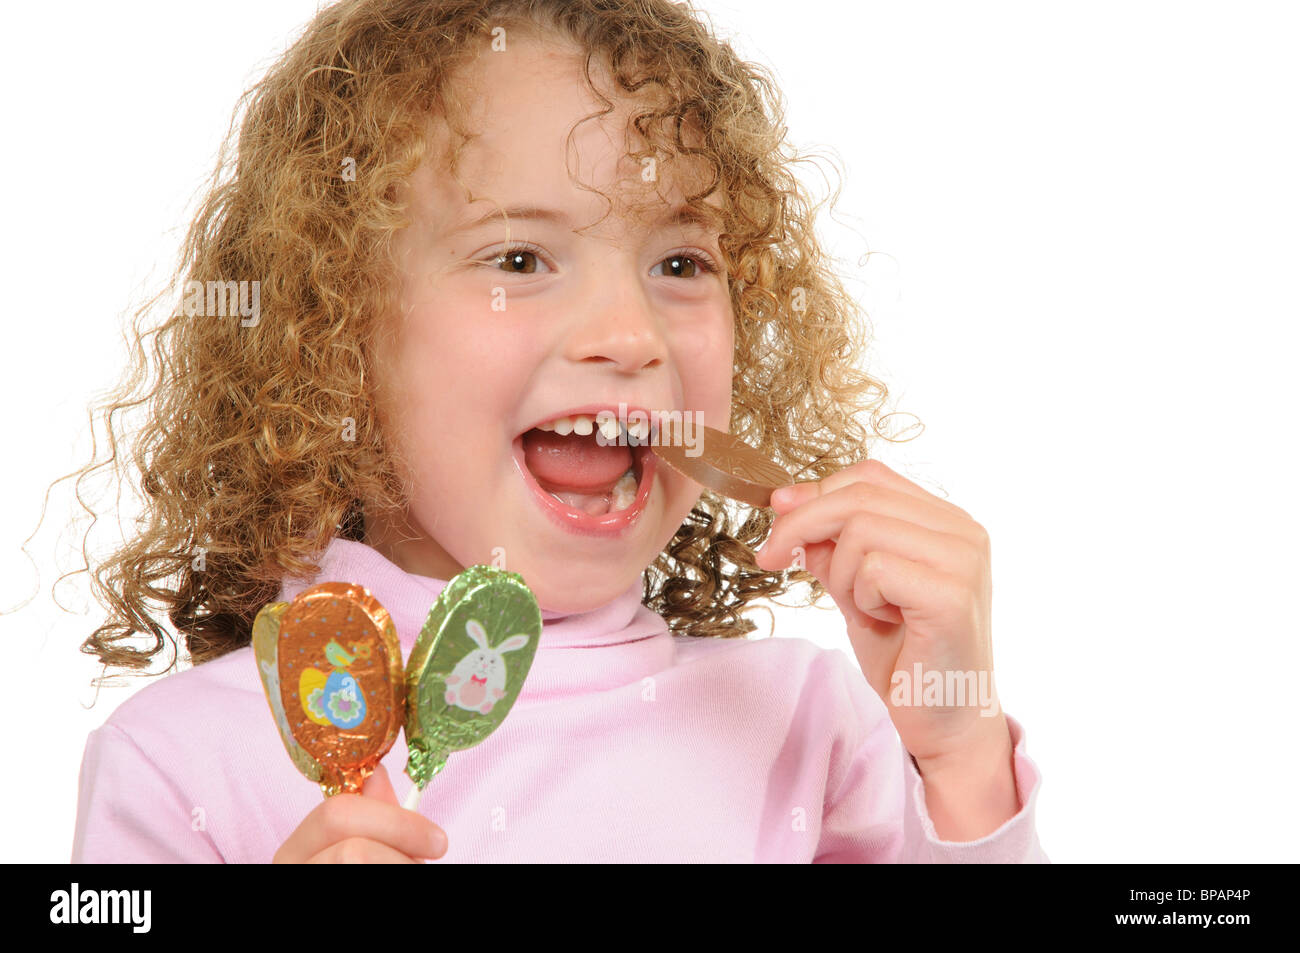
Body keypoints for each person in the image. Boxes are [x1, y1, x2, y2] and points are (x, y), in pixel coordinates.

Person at [70, 0, 1047, 863]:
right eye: (521, 255)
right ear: (334, 335)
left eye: (680, 263)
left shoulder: (812, 728)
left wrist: (960, 763)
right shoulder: (176, 760)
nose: (629, 335)